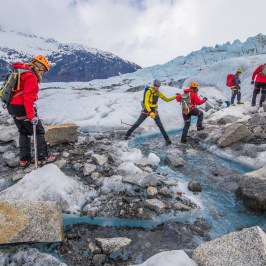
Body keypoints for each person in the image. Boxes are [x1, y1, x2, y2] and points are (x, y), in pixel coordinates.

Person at [7, 55, 56, 167]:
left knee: (23, 132)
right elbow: (28, 97)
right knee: (39, 131)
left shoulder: (22, 72)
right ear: (39, 67)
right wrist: (31, 116)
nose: (44, 73)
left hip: (12, 106)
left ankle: (24, 159)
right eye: (44, 70)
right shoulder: (31, 76)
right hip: (22, 107)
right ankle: (42, 157)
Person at [124, 79, 176, 145]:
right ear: (154, 85)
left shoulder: (158, 93)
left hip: (154, 110)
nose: (157, 87)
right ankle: (126, 136)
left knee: (160, 125)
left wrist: (175, 97)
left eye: (158, 86)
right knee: (137, 123)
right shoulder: (148, 91)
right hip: (147, 109)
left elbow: (167, 99)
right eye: (156, 85)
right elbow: (146, 103)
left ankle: (167, 140)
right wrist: (150, 112)